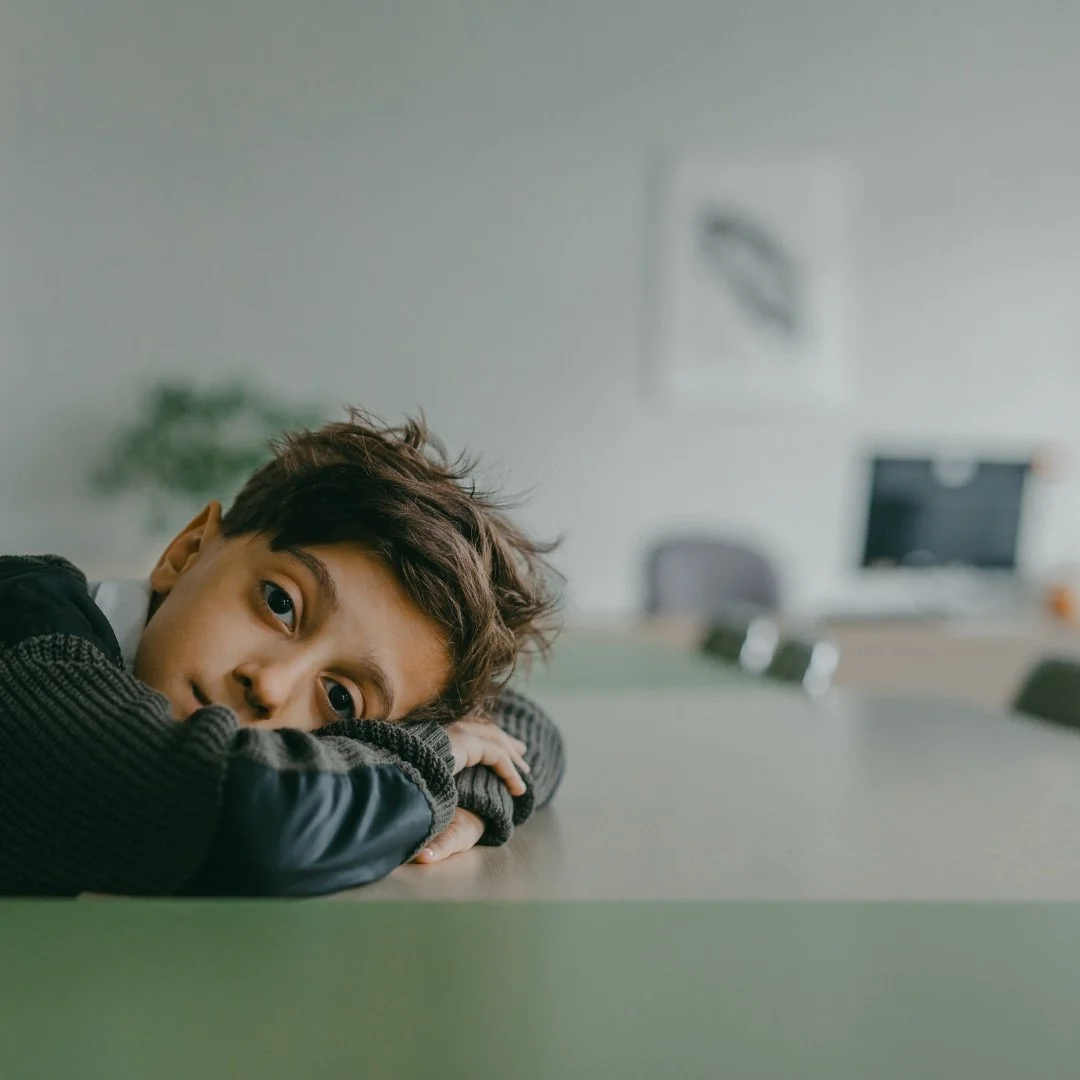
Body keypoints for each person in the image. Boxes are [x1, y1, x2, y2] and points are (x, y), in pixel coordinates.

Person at [0, 408, 565, 896]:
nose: (270, 685)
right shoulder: (26, 626)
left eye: (340, 699)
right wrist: (437, 768)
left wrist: (467, 772)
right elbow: (247, 817)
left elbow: (516, 726)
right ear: (189, 549)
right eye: (280, 602)